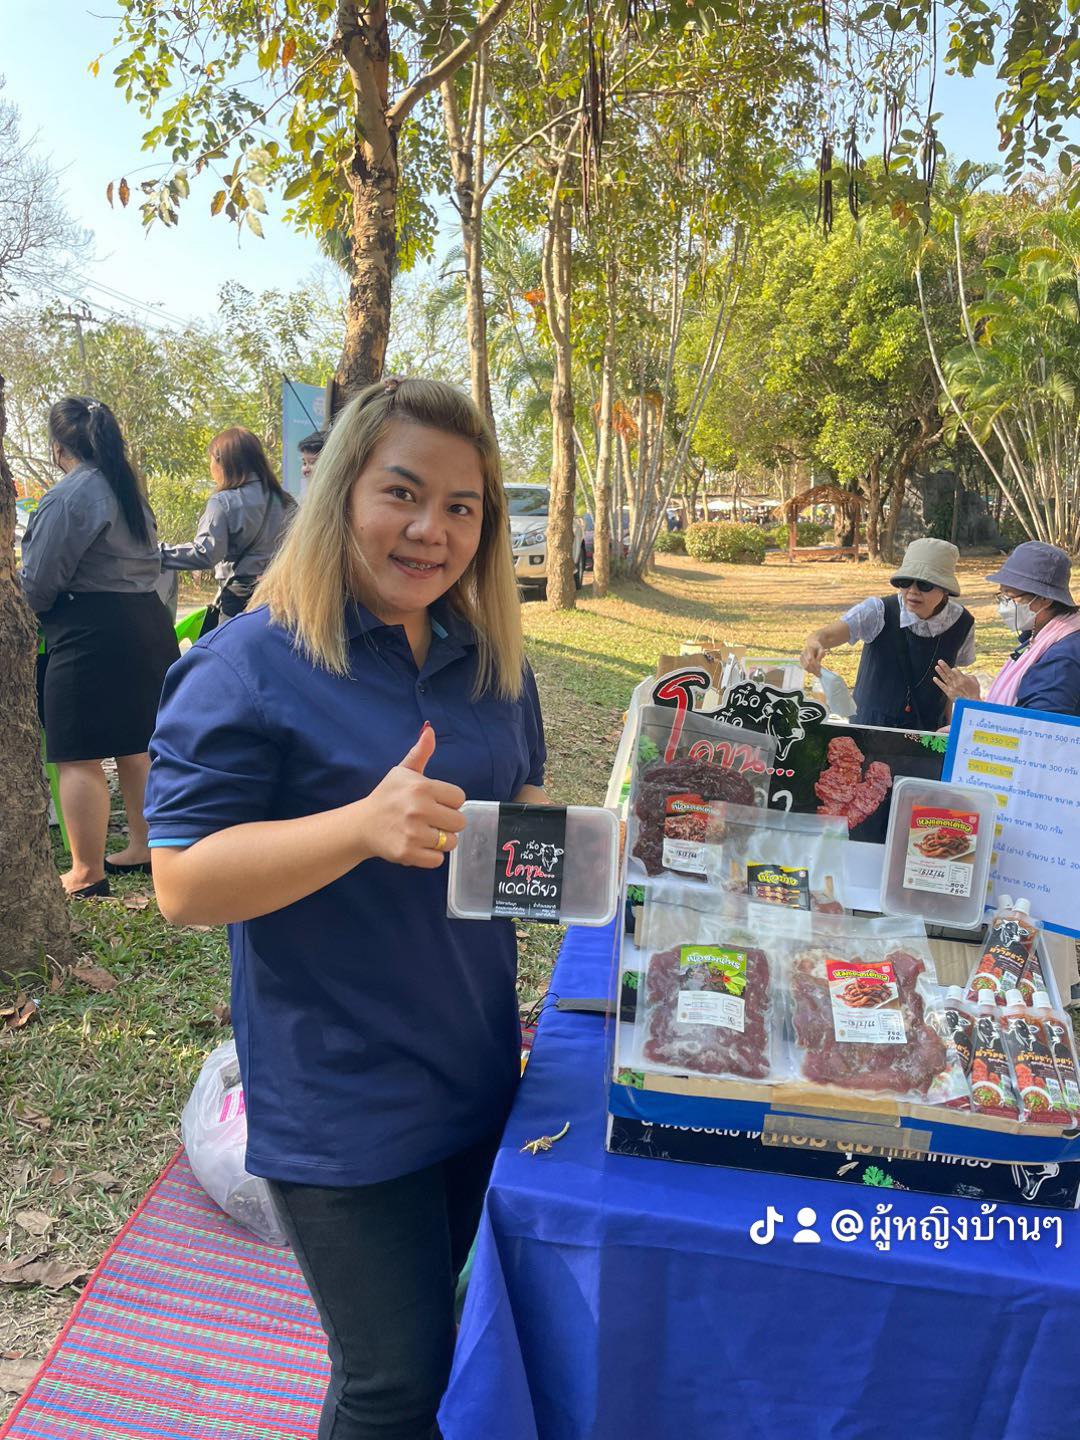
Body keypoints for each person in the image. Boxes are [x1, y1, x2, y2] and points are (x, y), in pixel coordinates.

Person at [143, 377, 546, 1440]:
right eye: (402, 493)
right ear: (342, 494)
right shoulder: (248, 664)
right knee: (392, 1382)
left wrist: (608, 850)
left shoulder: (489, 659)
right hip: (340, 1091)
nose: (431, 531)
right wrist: (361, 826)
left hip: (474, 1058)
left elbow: (516, 809)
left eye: (462, 507)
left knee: (443, 1348)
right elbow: (183, 882)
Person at [19, 396, 180, 897]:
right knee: (138, 747)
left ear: (57, 447)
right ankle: (145, 847)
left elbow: (38, 584)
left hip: (90, 630)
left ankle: (86, 873)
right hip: (148, 623)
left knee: (77, 754)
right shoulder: (128, 489)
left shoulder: (68, 496)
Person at [800, 537, 975, 730]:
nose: (912, 591)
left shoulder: (961, 623)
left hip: (929, 731)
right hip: (871, 727)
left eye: (924, 585)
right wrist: (814, 643)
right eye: (905, 582)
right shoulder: (877, 611)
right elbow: (827, 636)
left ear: (945, 590)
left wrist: (949, 727)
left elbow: (949, 683)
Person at [160, 426, 294, 625]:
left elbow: (206, 553)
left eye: (211, 460)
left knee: (235, 645)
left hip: (240, 599)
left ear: (223, 463)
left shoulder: (224, 502)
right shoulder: (287, 501)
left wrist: (159, 553)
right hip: (282, 597)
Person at [934, 541, 1080, 715]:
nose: (1003, 605)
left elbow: (1040, 728)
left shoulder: (1062, 659)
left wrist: (972, 703)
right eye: (1001, 595)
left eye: (1010, 597)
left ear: (1045, 599)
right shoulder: (1038, 636)